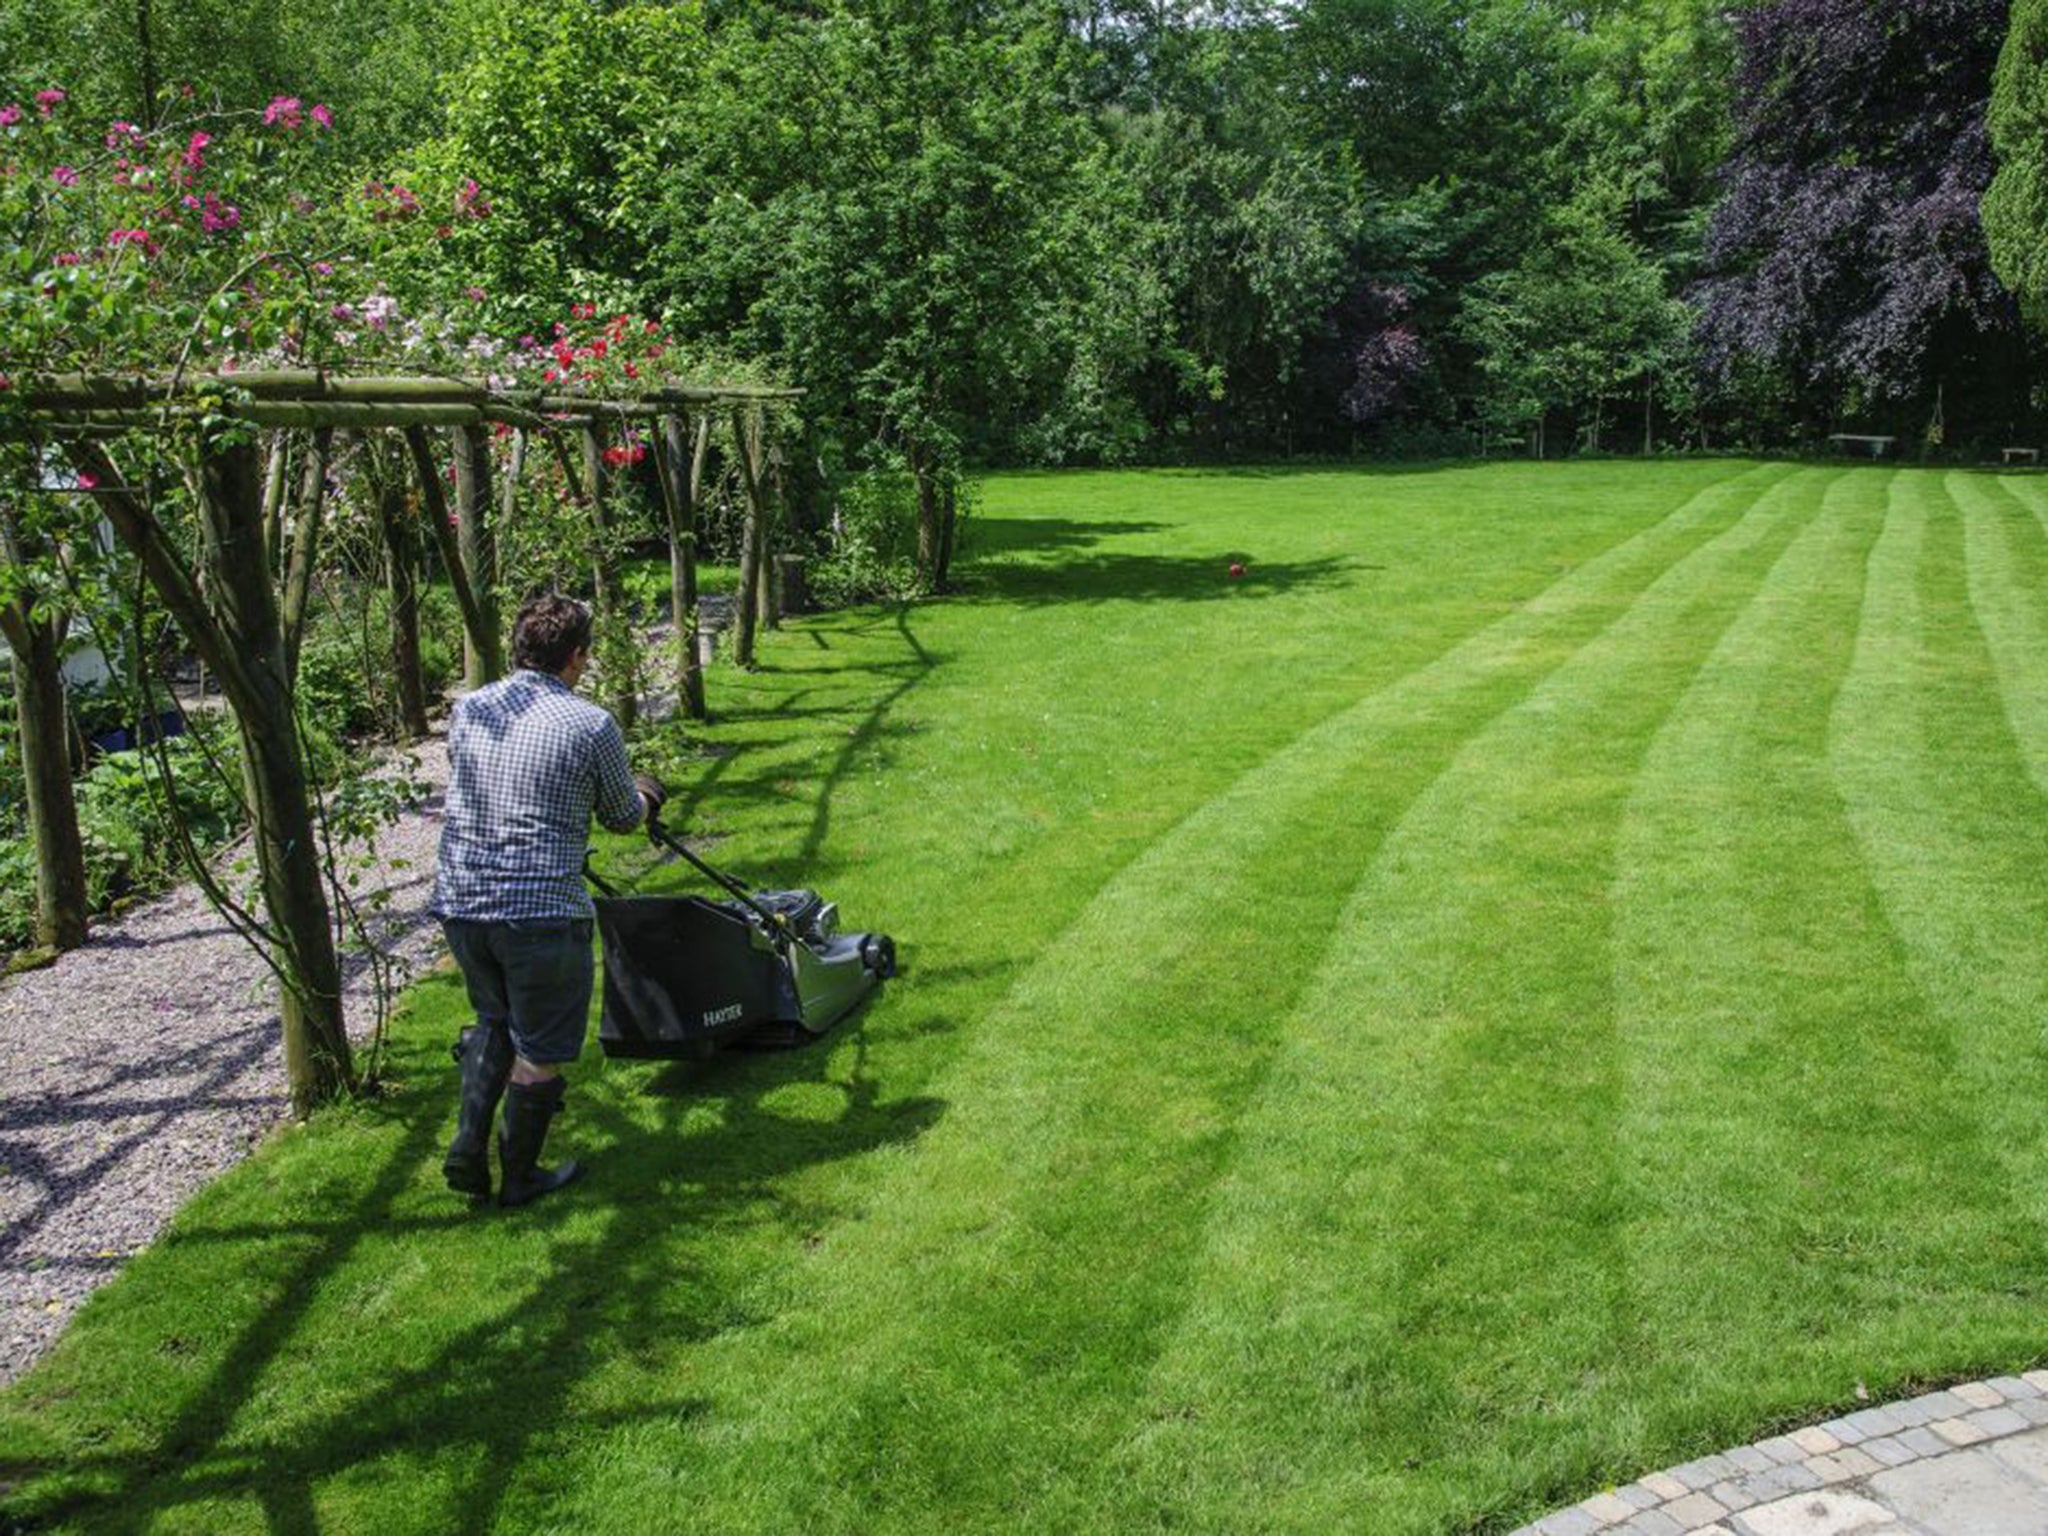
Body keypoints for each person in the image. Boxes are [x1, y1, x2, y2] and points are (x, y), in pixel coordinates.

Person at [431, 593, 664, 1207]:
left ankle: (466, 1149)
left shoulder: (471, 709)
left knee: (494, 1019)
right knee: (539, 1046)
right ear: (578, 657)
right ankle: (521, 1177)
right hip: (538, 908)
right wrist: (648, 794)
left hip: (462, 899)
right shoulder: (590, 724)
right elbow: (619, 818)